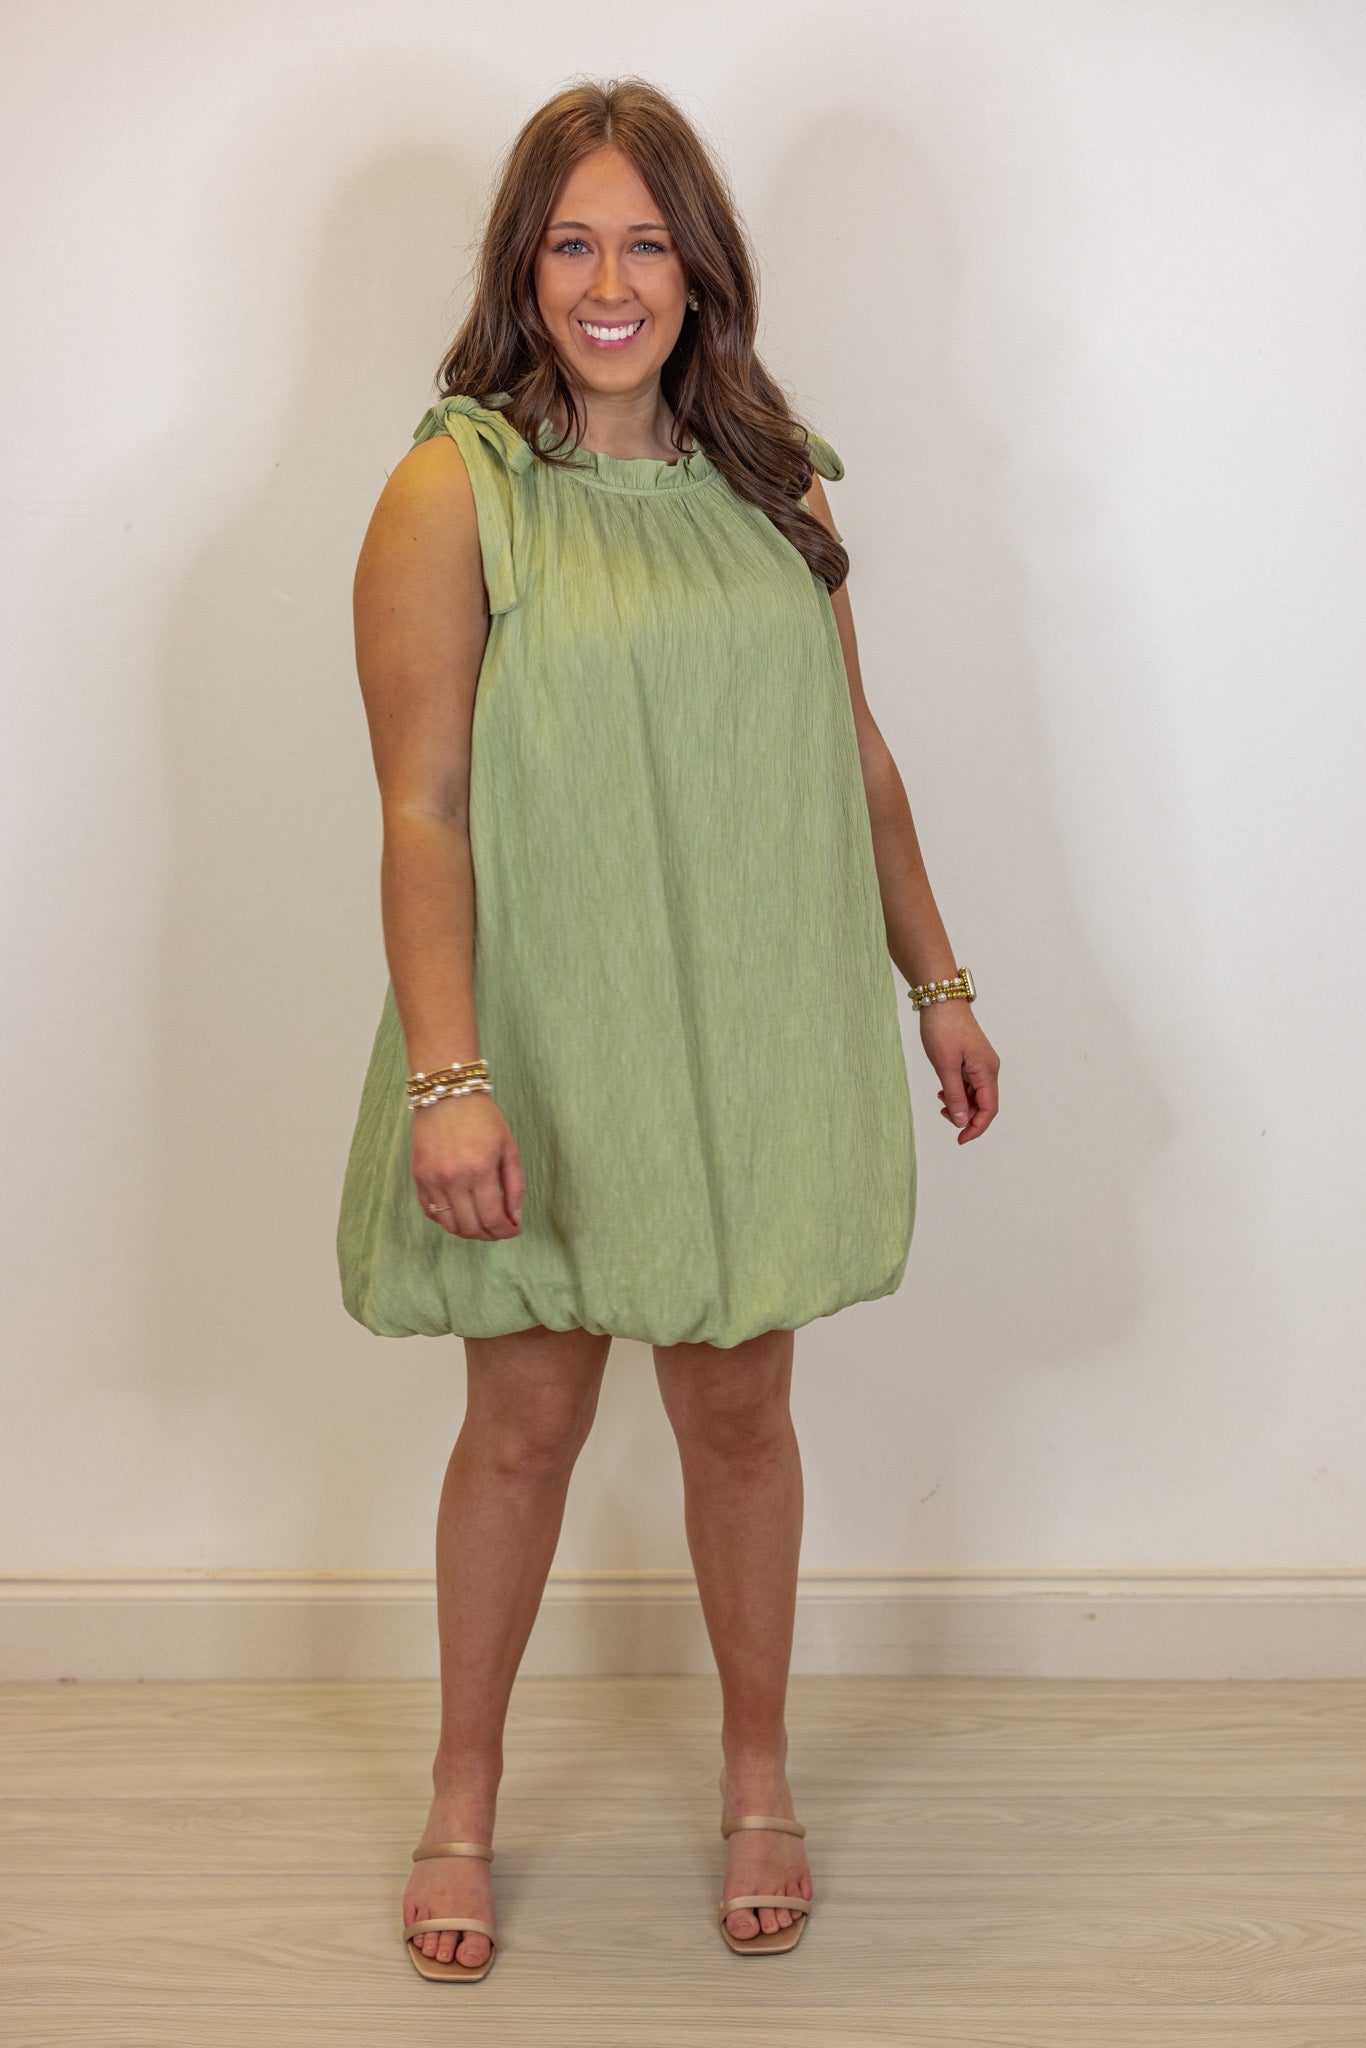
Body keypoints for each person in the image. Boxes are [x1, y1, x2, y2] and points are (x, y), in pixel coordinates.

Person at [336, 77, 1000, 1981]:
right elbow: (421, 809)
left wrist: (936, 980)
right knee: (525, 1423)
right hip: (547, 1030)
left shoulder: (774, 487)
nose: (608, 283)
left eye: (643, 243)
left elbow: (851, 754)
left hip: (757, 1018)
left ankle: (757, 1777)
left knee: (738, 1410)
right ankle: (461, 1796)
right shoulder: (452, 488)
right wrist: (451, 1077)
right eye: (571, 243)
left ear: (700, 269)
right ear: (520, 267)